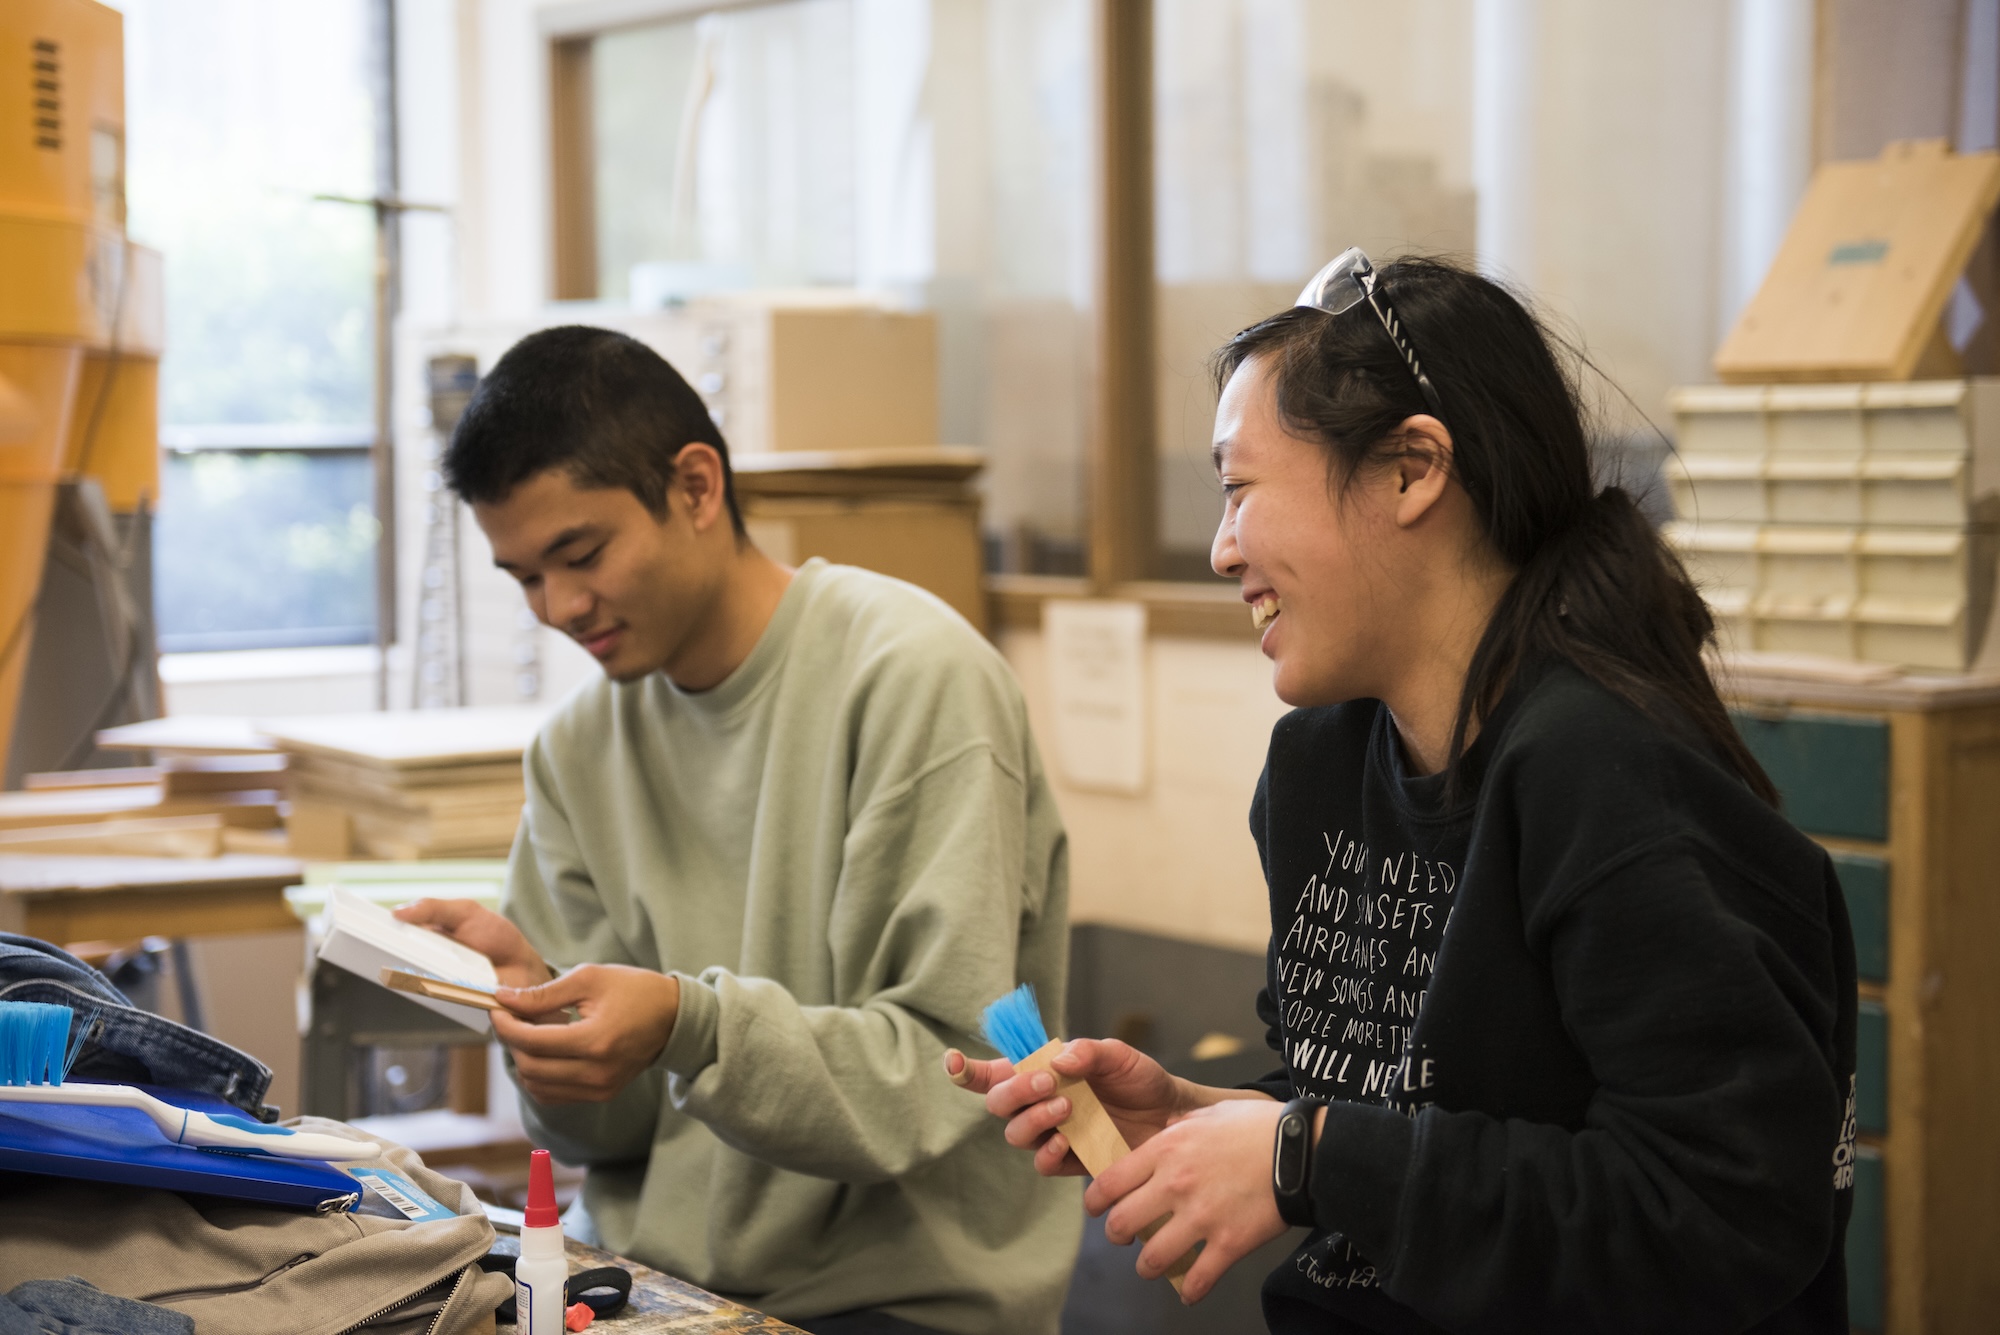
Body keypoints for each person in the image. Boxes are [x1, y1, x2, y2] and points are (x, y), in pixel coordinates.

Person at [952, 253, 1857, 1333]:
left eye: (1238, 489)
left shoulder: (1607, 775)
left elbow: (1727, 1210)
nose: (1217, 547)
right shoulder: (1317, 770)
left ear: (1407, 471)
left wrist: (1305, 1157)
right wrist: (1213, 1120)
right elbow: (1407, 1116)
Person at [397, 325, 1079, 1335]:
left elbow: (941, 1079)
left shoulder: (912, 680)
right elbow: (603, 1136)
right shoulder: (578, 750)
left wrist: (687, 1024)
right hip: (644, 1281)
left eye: (580, 555)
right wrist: (542, 1017)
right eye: (524, 577)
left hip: (896, 1305)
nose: (561, 607)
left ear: (696, 487)